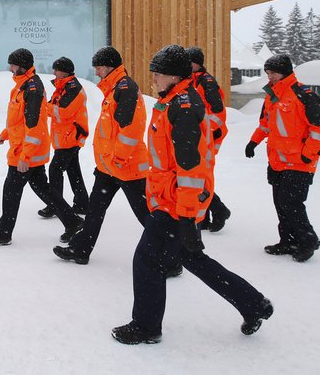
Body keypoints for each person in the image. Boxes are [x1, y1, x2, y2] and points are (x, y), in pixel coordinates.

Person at [112, 45, 272, 345]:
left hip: (175, 205)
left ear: (173, 76)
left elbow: (190, 168)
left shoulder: (182, 109)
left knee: (146, 260)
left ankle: (146, 326)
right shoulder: (173, 101)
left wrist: (186, 217)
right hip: (171, 200)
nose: (154, 80)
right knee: (194, 259)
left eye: (157, 74)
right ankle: (253, 303)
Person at [53, 47, 152, 266]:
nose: (96, 73)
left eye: (98, 68)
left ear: (108, 67)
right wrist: (107, 162)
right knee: (95, 209)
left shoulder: (125, 89)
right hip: (110, 167)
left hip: (128, 167)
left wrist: (118, 158)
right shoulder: (115, 88)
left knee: (146, 215)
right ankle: (81, 249)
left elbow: (131, 131)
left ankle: (173, 257)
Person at [0, 48, 83, 247]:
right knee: (44, 189)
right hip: (25, 150)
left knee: (11, 191)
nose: (11, 68)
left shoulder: (32, 88)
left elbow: (34, 126)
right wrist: (4, 135)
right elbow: (17, 121)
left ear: (22, 66)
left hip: (26, 153)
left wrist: (25, 156)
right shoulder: (23, 86)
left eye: (13, 65)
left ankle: (3, 232)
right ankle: (72, 221)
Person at [245, 54, 320, 262]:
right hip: (277, 161)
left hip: (299, 163)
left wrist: (306, 155)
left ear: (285, 72)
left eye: (273, 72)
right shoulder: (272, 96)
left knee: (291, 204)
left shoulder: (304, 95)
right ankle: (288, 241)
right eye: (267, 73)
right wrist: (254, 142)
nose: (270, 76)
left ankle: (307, 241)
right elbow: (265, 123)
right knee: (280, 203)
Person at [37, 56, 90, 218]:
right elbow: (56, 108)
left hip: (71, 138)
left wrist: (44, 106)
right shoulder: (62, 87)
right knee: (73, 170)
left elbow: (63, 112)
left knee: (55, 170)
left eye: (56, 69)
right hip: (66, 137)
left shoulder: (73, 88)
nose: (53, 72)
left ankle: (55, 205)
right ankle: (82, 204)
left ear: (63, 71)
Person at [186, 46, 232, 232]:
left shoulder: (206, 82)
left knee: (201, 178)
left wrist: (204, 131)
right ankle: (204, 215)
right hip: (196, 138)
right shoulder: (192, 81)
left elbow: (218, 114)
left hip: (208, 139)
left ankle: (219, 210)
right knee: (197, 177)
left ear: (196, 63)